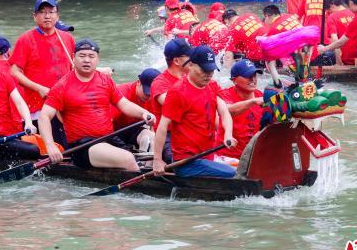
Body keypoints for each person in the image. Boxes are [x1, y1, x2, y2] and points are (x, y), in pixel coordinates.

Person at [38, 39, 155, 170]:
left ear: (97, 59)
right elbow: (44, 117)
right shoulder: (62, 86)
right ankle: (138, 178)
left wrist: (144, 113)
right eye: (82, 56)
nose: (87, 60)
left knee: (153, 142)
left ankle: (149, 173)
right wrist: (50, 145)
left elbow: (125, 105)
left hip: (109, 138)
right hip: (83, 146)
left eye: (91, 56)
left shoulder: (105, 80)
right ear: (73, 58)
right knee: (128, 158)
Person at [152, 45, 237, 178]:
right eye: (204, 70)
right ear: (191, 65)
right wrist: (157, 160)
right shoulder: (177, 92)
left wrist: (228, 134)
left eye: (211, 70)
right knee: (233, 174)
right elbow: (162, 126)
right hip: (186, 162)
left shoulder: (212, 86)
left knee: (244, 167)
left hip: (207, 157)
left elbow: (224, 112)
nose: (208, 75)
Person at [10, 0, 75, 117]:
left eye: (51, 12)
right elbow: (14, 72)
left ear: (58, 16)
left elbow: (74, 69)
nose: (47, 16)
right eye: (42, 12)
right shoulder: (26, 39)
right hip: (38, 105)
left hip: (65, 102)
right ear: (34, 16)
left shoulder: (67, 38)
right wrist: (38, 88)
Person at [216, 60, 265, 158]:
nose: (253, 79)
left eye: (255, 75)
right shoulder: (224, 95)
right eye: (248, 76)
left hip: (252, 157)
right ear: (234, 80)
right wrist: (252, 102)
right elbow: (227, 111)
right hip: (228, 157)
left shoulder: (261, 96)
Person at [112, 68, 161, 152]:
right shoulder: (122, 92)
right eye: (147, 94)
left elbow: (154, 127)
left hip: (133, 129)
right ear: (138, 82)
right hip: (113, 131)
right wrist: (122, 147)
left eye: (152, 95)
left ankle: (147, 163)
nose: (149, 98)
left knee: (152, 139)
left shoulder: (157, 98)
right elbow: (107, 125)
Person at [325, 0, 357, 65]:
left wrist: (339, 63)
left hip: (346, 59)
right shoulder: (354, 12)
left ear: (332, 5)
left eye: (329, 11)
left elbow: (335, 40)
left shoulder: (332, 17)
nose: (329, 13)